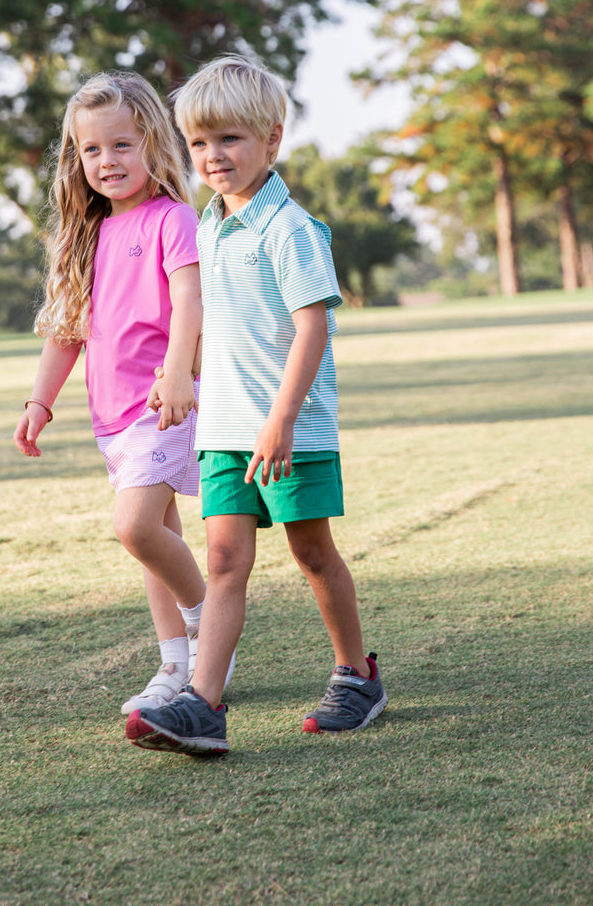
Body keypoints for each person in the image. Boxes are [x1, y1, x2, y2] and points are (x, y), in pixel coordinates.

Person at [125, 56, 386, 756]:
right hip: (223, 428)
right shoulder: (208, 224)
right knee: (223, 562)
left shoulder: (291, 229)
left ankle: (357, 675)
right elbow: (207, 314)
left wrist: (281, 419)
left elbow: (313, 327)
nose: (213, 156)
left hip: (290, 428)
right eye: (200, 143)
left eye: (230, 140)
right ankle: (203, 706)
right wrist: (178, 369)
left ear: (272, 140)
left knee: (311, 553)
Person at [13, 71, 220, 715]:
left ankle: (213, 627)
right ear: (76, 160)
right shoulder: (83, 236)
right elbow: (65, 331)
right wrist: (39, 402)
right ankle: (175, 665)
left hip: (162, 404)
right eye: (92, 150)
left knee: (134, 528)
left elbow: (189, 298)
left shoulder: (172, 218)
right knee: (154, 537)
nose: (107, 161)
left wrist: (180, 371)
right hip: (110, 418)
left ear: (152, 143)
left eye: (122, 145)